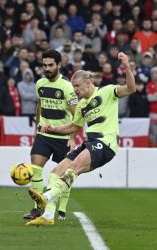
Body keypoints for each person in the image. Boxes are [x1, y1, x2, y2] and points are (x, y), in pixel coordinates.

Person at [26, 52, 136, 226]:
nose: (75, 90)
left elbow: (130, 89)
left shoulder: (107, 92)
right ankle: (48, 216)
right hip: (89, 144)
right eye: (73, 87)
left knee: (73, 169)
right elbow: (73, 127)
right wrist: (53, 128)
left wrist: (127, 67)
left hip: (105, 144)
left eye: (77, 86)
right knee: (56, 172)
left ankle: (46, 196)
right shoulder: (82, 105)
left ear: (88, 82)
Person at [23, 50, 78, 220]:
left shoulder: (67, 87)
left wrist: (72, 138)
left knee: (61, 175)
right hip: (44, 134)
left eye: (50, 65)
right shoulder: (40, 83)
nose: (47, 68)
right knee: (36, 170)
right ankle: (38, 208)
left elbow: (76, 115)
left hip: (62, 136)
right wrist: (36, 129)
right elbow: (40, 105)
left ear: (59, 65)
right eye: (44, 65)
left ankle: (60, 208)